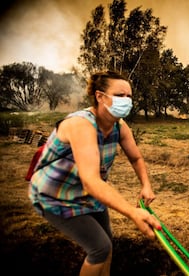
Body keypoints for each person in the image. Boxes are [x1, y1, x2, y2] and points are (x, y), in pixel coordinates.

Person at [28, 70, 161, 276]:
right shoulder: (81, 124)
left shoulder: (120, 126)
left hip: (88, 194)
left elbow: (136, 158)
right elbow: (91, 181)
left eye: (129, 96)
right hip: (55, 196)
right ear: (100, 96)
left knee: (107, 246)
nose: (126, 101)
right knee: (100, 248)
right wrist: (133, 212)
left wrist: (146, 185)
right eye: (119, 95)